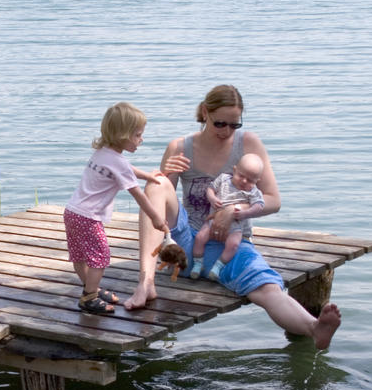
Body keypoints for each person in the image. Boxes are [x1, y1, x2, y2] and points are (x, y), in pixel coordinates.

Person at [124, 85, 341, 349]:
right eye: (220, 123)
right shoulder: (180, 147)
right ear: (205, 112)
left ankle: (314, 328)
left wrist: (232, 211)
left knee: (267, 286)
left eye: (234, 125)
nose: (226, 131)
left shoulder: (248, 145)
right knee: (156, 185)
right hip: (186, 242)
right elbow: (158, 205)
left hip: (230, 244)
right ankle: (145, 283)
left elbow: (273, 200)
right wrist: (164, 175)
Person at [64, 102, 168, 314]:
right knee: (100, 257)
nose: (141, 139)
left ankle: (90, 288)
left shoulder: (103, 152)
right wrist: (156, 218)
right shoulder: (118, 162)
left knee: (79, 256)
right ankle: (89, 298)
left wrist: (147, 175)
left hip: (72, 212)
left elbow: (125, 169)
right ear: (123, 135)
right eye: (138, 135)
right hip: (89, 218)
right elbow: (138, 194)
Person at [189, 152, 266, 281]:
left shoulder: (253, 191)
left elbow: (259, 206)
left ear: (257, 181)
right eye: (241, 175)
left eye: (250, 180)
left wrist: (245, 213)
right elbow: (210, 189)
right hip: (213, 219)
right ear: (234, 170)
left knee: (234, 244)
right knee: (200, 237)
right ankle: (198, 263)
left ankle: (218, 266)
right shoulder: (224, 179)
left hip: (236, 225)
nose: (244, 181)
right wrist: (212, 198)